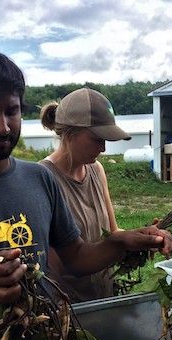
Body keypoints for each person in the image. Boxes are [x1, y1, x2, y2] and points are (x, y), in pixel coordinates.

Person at [0, 48, 172, 331]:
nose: (3, 127)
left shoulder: (39, 179)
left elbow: (77, 257)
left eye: (11, 111)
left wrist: (122, 242)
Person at [39, 87, 130, 302]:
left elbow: (113, 232)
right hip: (70, 309)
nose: (104, 148)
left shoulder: (96, 170)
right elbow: (53, 268)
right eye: (98, 139)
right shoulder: (43, 178)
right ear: (70, 133)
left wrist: (144, 237)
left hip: (103, 298)